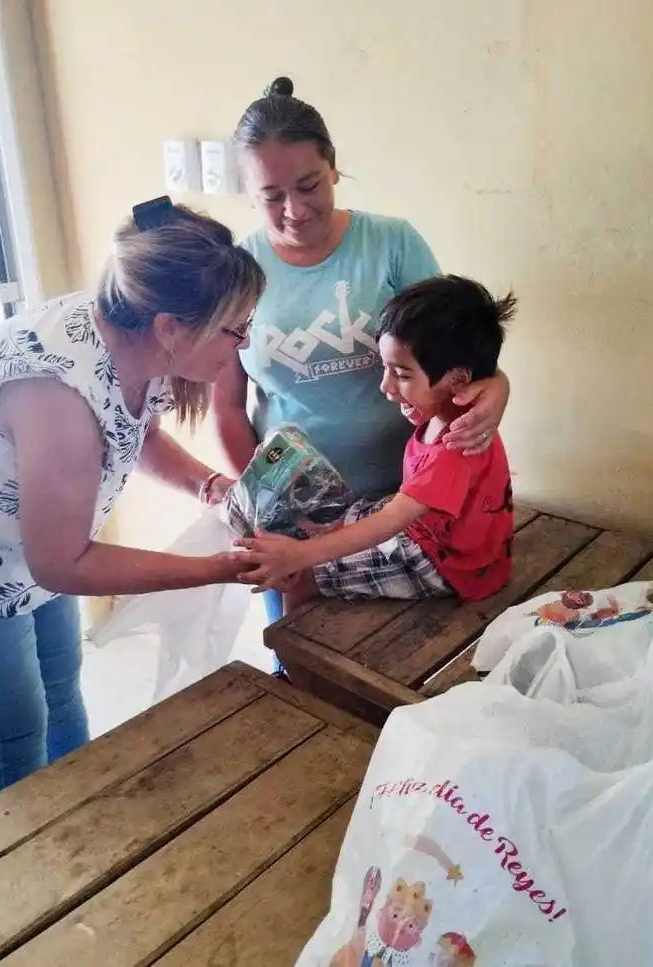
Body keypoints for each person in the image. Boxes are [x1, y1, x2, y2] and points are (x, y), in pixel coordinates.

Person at [0, 196, 263, 800]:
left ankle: (76, 818)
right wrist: (213, 569)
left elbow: (137, 431)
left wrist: (210, 486)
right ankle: (21, 853)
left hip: (36, 544)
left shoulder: (135, 335)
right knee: (14, 733)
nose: (242, 344)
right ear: (171, 327)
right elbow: (62, 563)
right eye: (234, 328)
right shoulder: (57, 393)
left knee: (62, 691)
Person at [213, 77, 511, 654]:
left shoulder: (391, 243)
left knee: (392, 658)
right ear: (248, 192)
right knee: (300, 652)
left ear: (333, 165)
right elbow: (226, 406)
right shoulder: (237, 271)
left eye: (308, 185)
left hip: (405, 509)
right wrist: (265, 507)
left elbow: (455, 348)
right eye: (271, 195)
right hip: (295, 516)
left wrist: (498, 387)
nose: (294, 210)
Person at [237, 275, 516, 611]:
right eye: (386, 368)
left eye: (402, 374)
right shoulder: (452, 409)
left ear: (457, 379)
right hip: (433, 531)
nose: (385, 386)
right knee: (317, 521)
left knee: (300, 574)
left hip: (448, 564)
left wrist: (300, 556)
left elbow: (393, 519)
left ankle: (290, 646)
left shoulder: (455, 446)